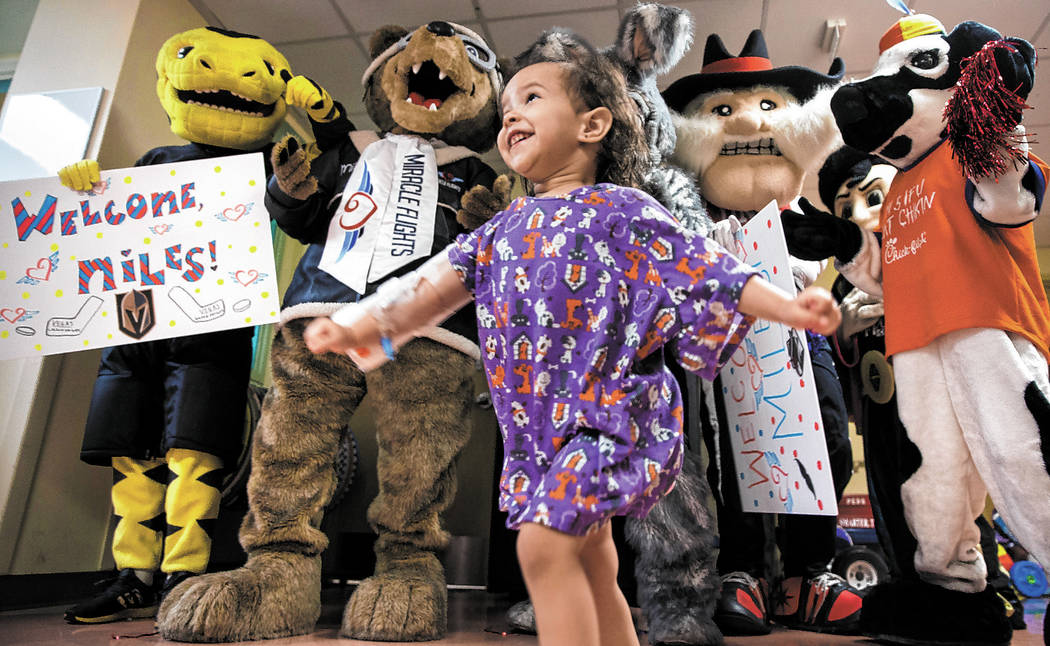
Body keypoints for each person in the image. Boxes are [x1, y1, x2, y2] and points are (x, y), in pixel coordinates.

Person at [304, 39, 841, 646]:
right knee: (591, 561)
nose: (511, 114)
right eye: (507, 105)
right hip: (535, 440)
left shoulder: (623, 210)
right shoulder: (498, 229)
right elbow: (426, 289)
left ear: (593, 125)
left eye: (531, 97)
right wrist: (360, 324)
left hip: (615, 421)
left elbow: (708, 270)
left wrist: (787, 304)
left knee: (541, 547)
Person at [663, 29, 861, 635]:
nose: (748, 120)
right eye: (722, 110)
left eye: (768, 105)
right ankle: (742, 568)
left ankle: (810, 570)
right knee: (728, 444)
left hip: (801, 315)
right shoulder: (685, 215)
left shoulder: (811, 216)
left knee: (822, 430)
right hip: (721, 326)